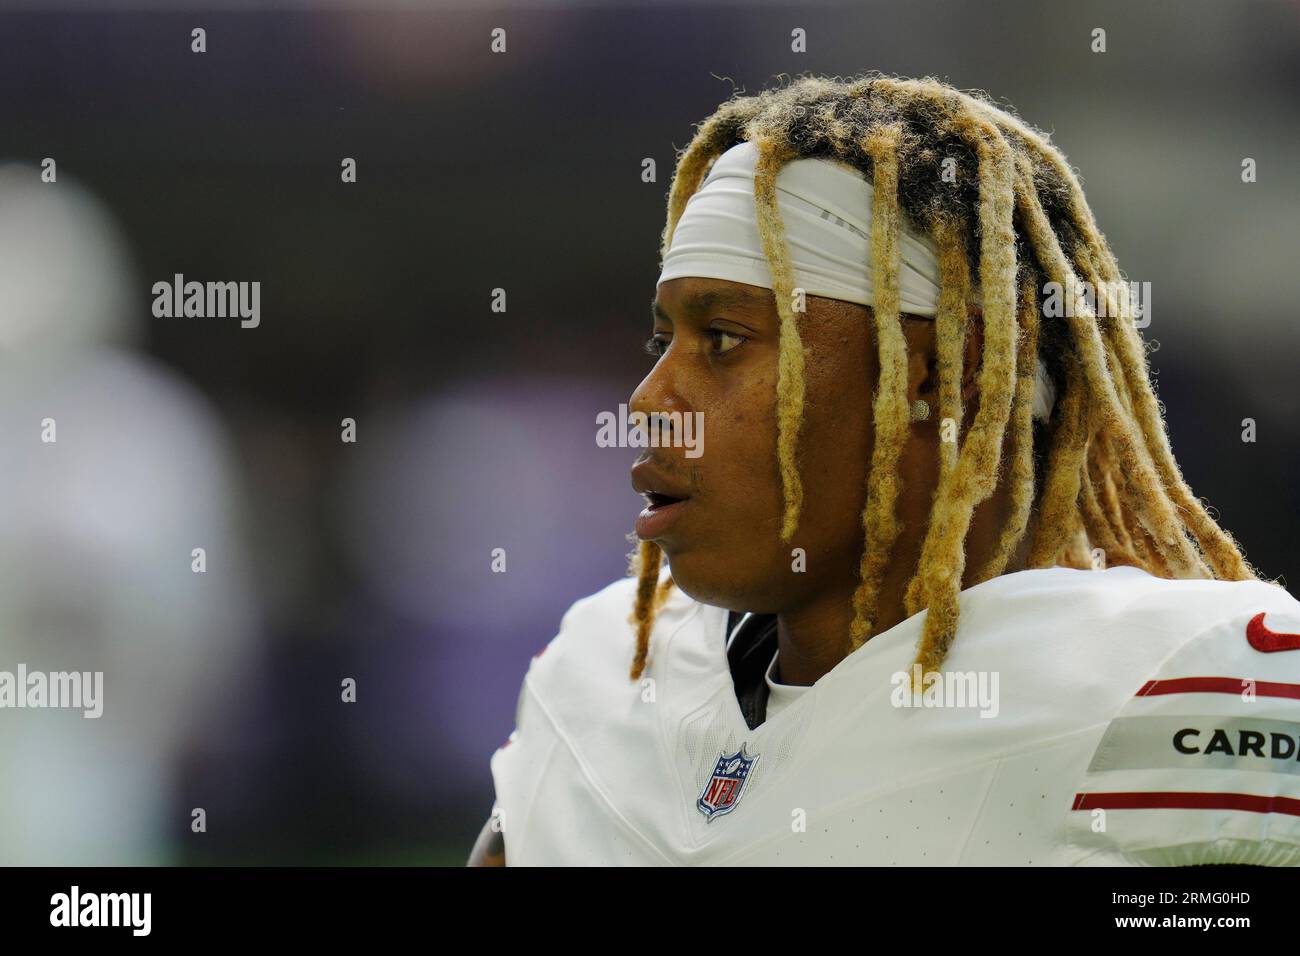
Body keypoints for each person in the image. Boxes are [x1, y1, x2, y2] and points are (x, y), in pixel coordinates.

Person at [469, 73, 1300, 866]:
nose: (650, 401)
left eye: (723, 338)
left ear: (947, 370)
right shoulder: (597, 672)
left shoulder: (1177, 678)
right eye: (663, 344)